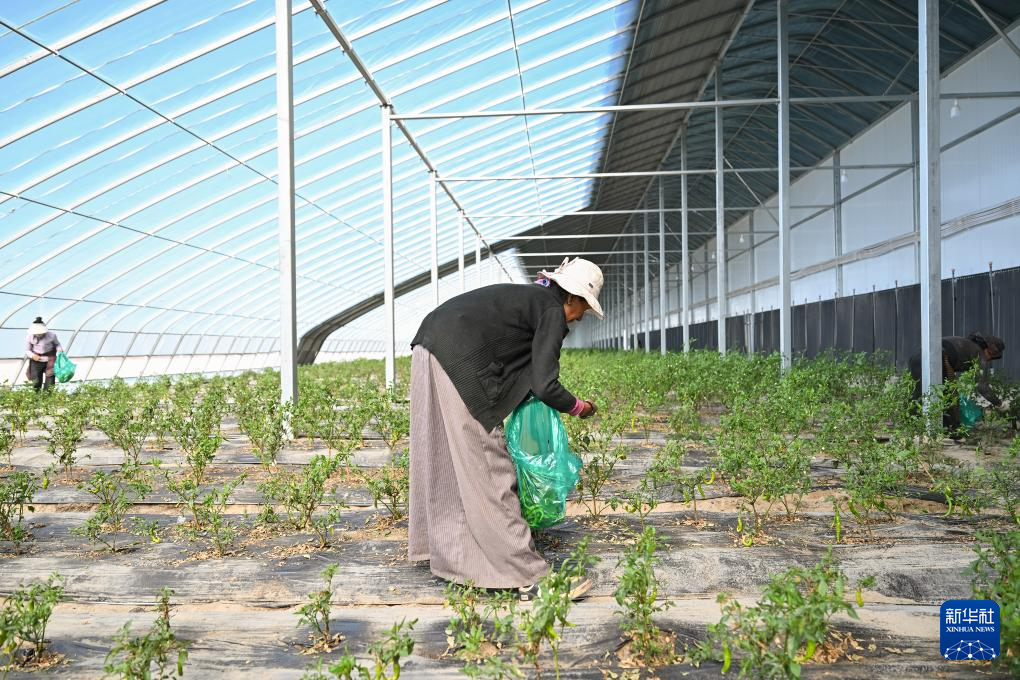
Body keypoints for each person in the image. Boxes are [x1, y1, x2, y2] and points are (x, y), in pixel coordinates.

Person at [408, 257, 603, 600]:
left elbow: (517, 364)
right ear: (572, 297)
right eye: (583, 309)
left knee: (447, 457)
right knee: (490, 467)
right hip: (458, 360)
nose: (579, 317)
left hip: (431, 346)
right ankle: (527, 576)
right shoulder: (551, 310)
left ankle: (452, 554)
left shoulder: (531, 300)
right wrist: (579, 407)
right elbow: (545, 385)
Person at [908, 331, 1006, 430]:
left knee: (919, 394)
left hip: (918, 355)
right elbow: (983, 388)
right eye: (991, 355)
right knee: (949, 397)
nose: (989, 359)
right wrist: (1000, 404)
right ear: (987, 349)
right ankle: (951, 431)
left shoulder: (965, 344)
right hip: (937, 357)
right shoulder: (979, 354)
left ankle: (912, 425)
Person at [25, 317, 63, 392]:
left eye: (41, 333)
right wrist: (32, 356)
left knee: (50, 381)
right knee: (36, 381)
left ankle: (47, 396)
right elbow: (27, 350)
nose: (39, 334)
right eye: (37, 333)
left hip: (50, 360)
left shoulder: (52, 335)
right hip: (36, 360)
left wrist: (59, 350)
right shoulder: (29, 337)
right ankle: (36, 396)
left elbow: (57, 344)